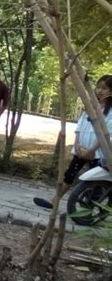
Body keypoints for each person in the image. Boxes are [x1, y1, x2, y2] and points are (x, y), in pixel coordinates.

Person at [34, 74, 112, 209]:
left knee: (97, 181)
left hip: (98, 151)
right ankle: (54, 201)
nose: (99, 91)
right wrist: (76, 143)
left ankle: (89, 208)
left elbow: (107, 132)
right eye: (98, 87)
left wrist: (92, 150)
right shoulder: (91, 105)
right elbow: (80, 124)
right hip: (81, 148)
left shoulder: (110, 112)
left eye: (104, 88)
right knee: (69, 175)